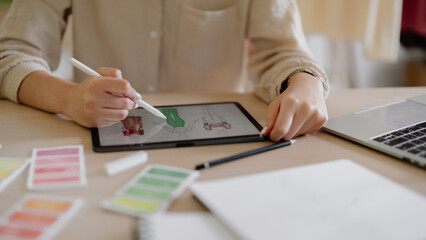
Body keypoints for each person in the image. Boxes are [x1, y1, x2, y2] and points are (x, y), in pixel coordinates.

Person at [0, 0, 329, 141]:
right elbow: (10, 53)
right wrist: (68, 98)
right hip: (97, 143)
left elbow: (283, 49)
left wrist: (306, 82)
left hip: (215, 144)